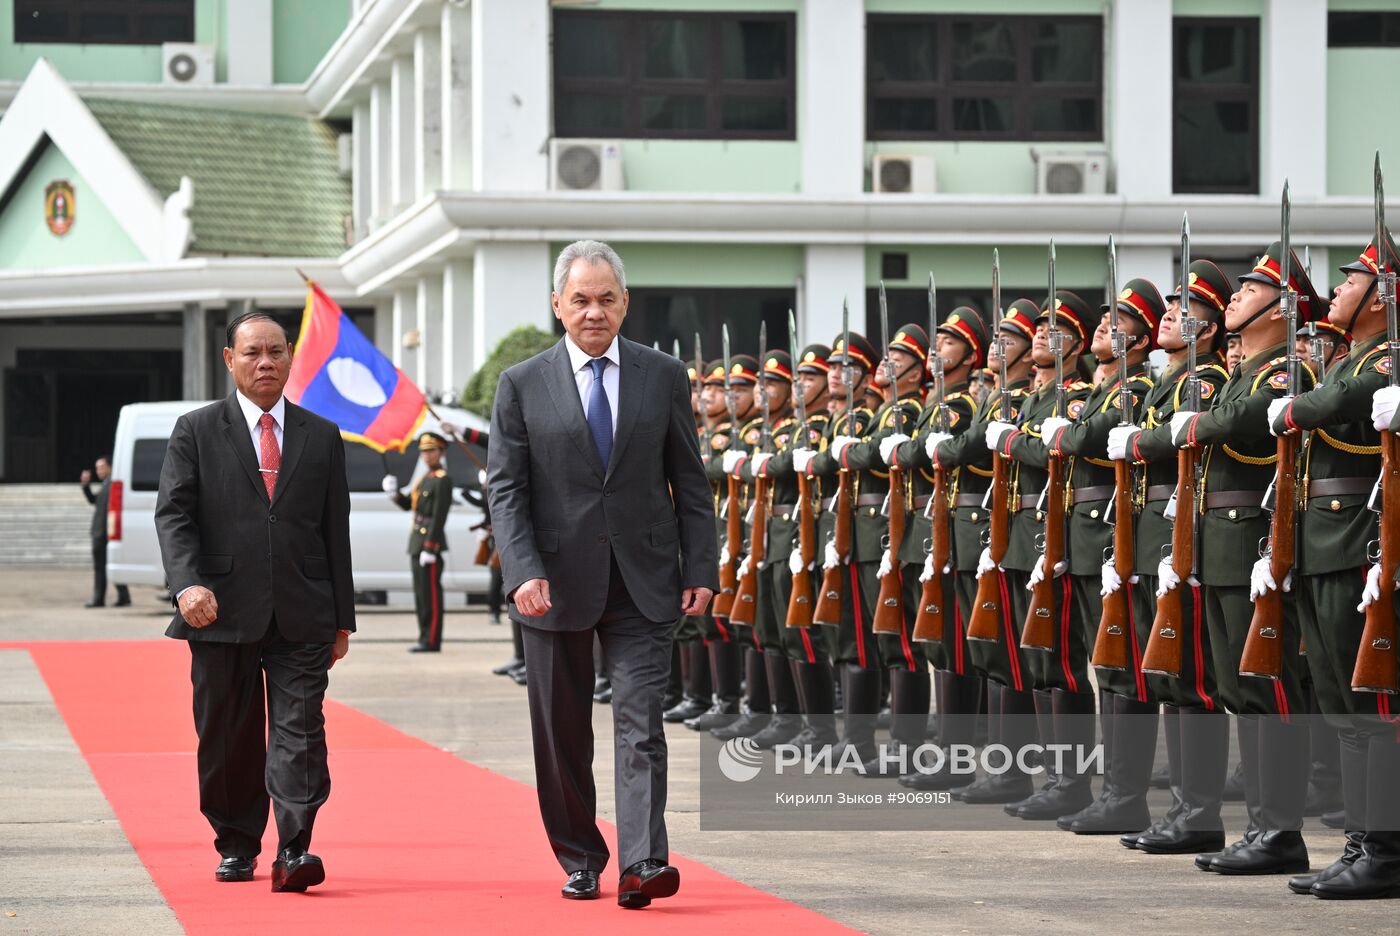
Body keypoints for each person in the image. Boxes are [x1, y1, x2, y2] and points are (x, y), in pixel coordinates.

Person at [487, 240, 717, 909]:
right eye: (581, 299)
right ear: (558, 305)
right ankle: (581, 854)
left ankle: (643, 862)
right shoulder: (522, 384)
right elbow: (506, 490)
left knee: (641, 722)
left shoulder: (662, 375)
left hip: (645, 581)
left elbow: (689, 482)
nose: (595, 311)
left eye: (607, 298)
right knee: (562, 734)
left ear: (625, 303)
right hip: (552, 585)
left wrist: (701, 565)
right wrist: (521, 570)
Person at [155, 310, 354, 892]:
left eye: (275, 352)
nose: (265, 363)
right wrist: (187, 583)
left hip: (303, 613)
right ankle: (237, 842)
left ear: (290, 357)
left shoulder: (321, 434)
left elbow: (333, 531)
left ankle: (294, 848)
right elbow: (174, 515)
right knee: (227, 735)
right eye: (252, 353)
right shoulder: (195, 430)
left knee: (300, 730)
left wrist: (342, 619)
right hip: (218, 610)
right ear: (229, 360)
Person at [383, 431, 454, 653]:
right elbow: (410, 506)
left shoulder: (442, 480)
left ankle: (432, 640)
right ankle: (425, 636)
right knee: (421, 594)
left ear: (441, 452)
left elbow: (438, 516)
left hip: (428, 544)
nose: (426, 455)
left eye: (431, 451)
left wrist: (430, 547)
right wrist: (394, 494)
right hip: (417, 541)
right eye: (423, 452)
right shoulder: (425, 479)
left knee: (430, 595)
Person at [80, 455, 130, 608]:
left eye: (101, 467)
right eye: (97, 468)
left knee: (102, 567)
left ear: (110, 467)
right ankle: (123, 596)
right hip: (101, 531)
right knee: (107, 566)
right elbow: (93, 500)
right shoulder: (106, 485)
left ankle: (99, 598)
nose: (98, 471)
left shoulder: (113, 485)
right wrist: (85, 485)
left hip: (104, 533)